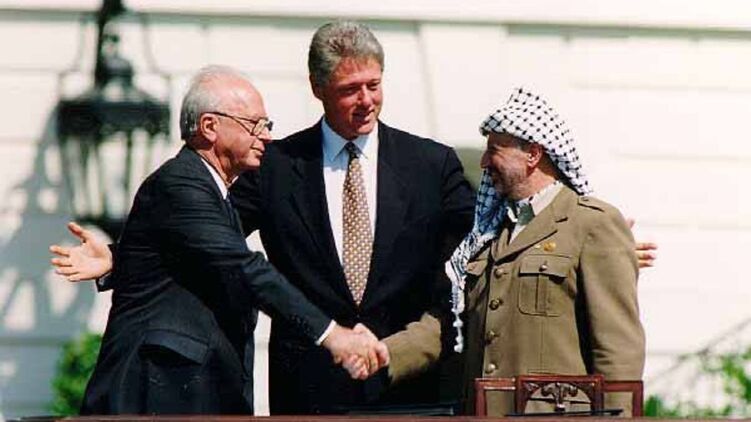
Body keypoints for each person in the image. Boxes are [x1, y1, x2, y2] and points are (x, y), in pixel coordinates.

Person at [52, 22, 656, 415]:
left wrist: (583, 241)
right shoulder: (276, 165)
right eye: (349, 89)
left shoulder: (432, 164)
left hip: (411, 387)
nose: (365, 100)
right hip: (309, 391)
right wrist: (124, 257)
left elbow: (488, 236)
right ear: (319, 89)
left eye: (374, 85)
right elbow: (213, 242)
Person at [54, 65, 386, 415]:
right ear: (210, 126)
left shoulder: (216, 194)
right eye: (254, 124)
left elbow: (182, 255)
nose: (266, 136)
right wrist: (332, 335)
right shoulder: (180, 184)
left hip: (201, 395)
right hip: (158, 396)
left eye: (267, 125)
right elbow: (242, 267)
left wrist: (117, 257)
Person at [346, 87, 646, 416]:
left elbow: (618, 351)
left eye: (494, 150)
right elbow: (451, 323)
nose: (484, 162)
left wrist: (617, 417)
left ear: (533, 154)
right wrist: (385, 352)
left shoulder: (591, 224)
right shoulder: (486, 233)